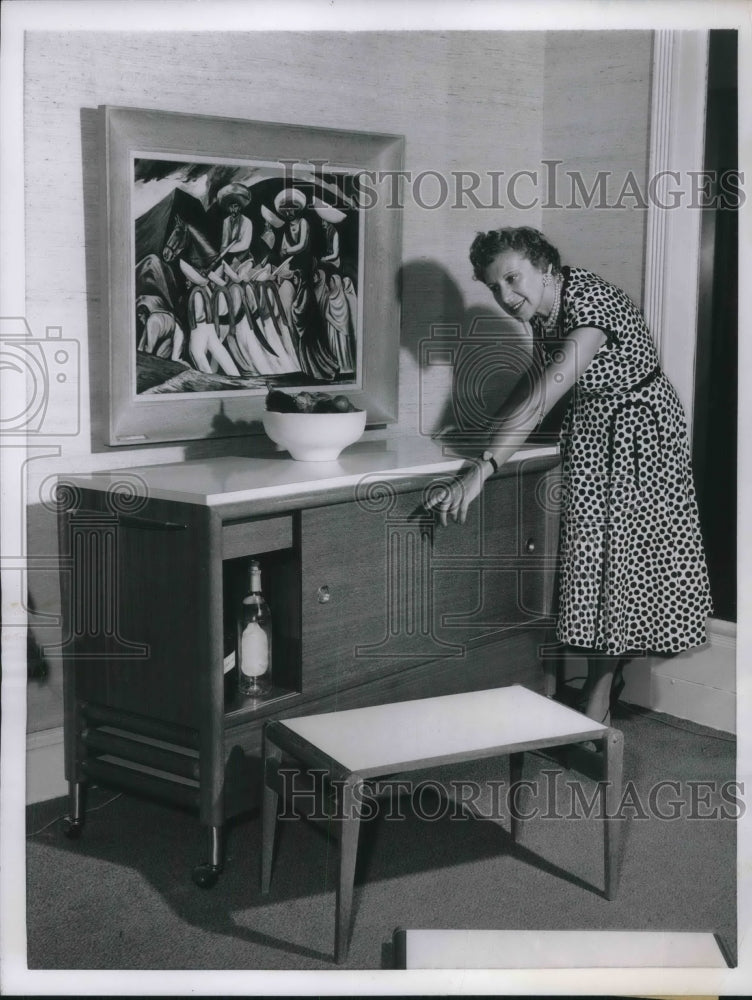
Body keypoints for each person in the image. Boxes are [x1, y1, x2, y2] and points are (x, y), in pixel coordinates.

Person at [425, 226, 712, 724]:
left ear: (545, 269)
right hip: (594, 428)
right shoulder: (544, 308)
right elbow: (534, 383)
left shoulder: (590, 305)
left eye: (513, 279)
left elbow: (540, 401)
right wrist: (482, 436)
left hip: (640, 433)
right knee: (590, 561)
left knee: (616, 567)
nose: (506, 296)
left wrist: (481, 468)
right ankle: (592, 679)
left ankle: (599, 694)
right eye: (494, 287)